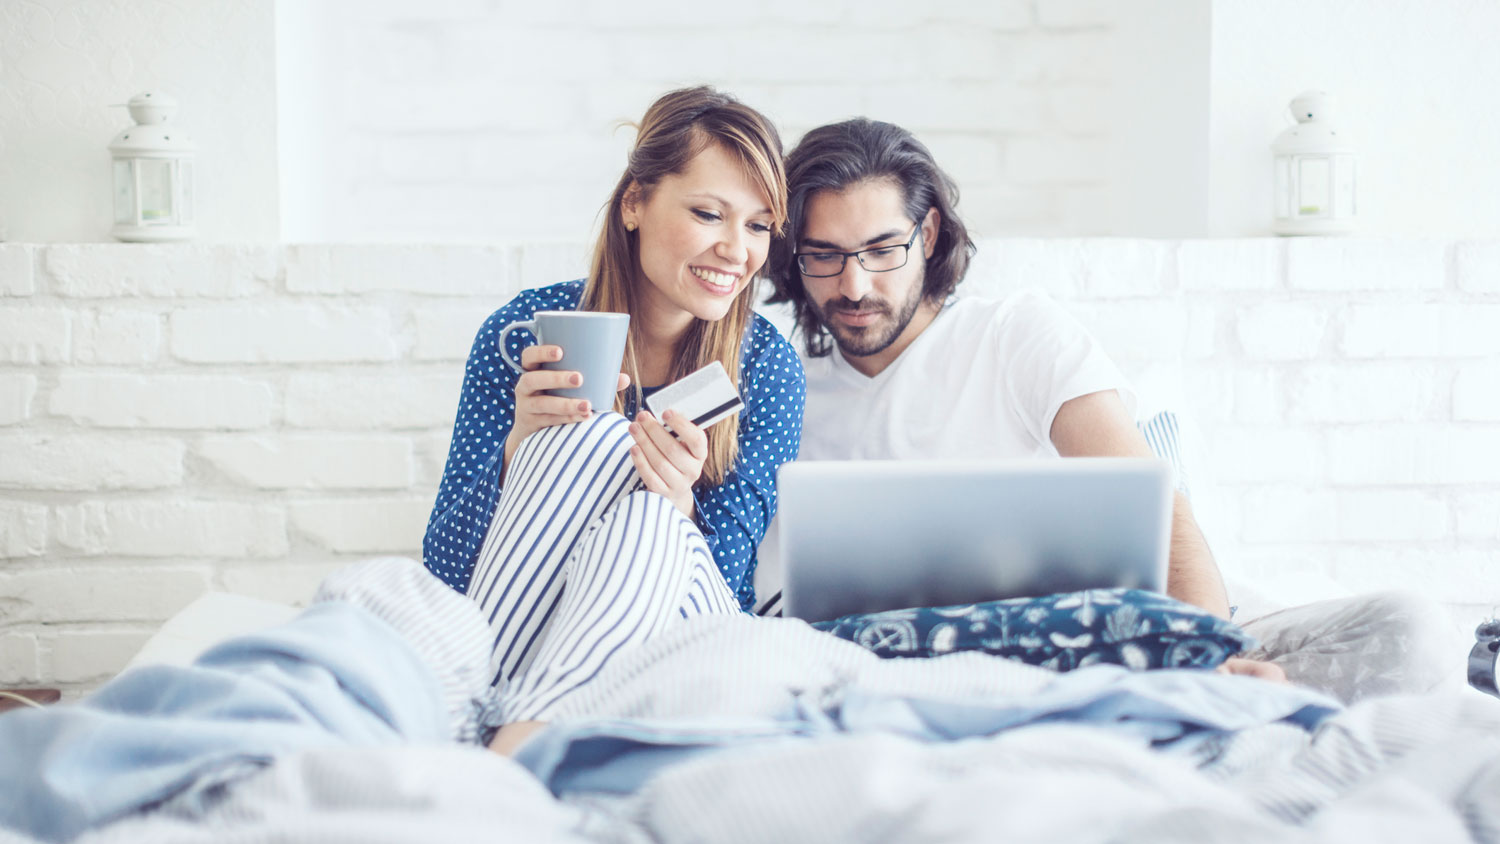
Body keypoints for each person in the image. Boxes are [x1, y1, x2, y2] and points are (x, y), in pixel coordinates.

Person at [764, 117, 1459, 700]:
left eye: (882, 250)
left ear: (932, 236)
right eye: (823, 256)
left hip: (1130, 643)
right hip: (943, 676)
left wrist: (1201, 658)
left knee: (1411, 631)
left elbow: (1159, 510)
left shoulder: (1014, 334)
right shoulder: (787, 393)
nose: (852, 285)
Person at [422, 87, 804, 744]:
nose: (738, 250)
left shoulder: (766, 364)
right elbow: (444, 572)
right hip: (518, 638)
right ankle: (521, 736)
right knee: (585, 440)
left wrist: (679, 502)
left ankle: (494, 737)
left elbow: (726, 578)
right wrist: (517, 454)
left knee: (647, 514)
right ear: (635, 203)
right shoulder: (523, 336)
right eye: (710, 214)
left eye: (759, 225)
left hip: (683, 646)